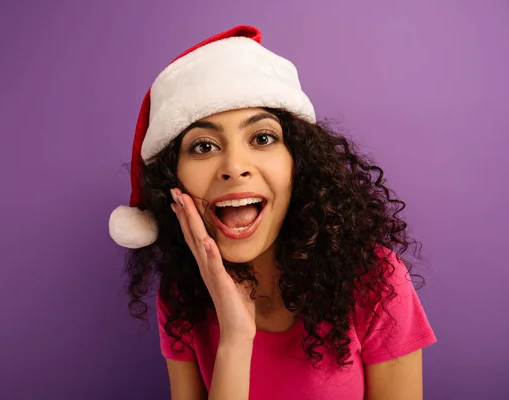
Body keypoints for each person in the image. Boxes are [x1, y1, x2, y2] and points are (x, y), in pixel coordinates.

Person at [109, 25, 436, 400]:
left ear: (299, 164)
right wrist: (235, 339)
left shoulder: (373, 281)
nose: (234, 166)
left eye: (262, 138)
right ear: (174, 179)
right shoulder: (180, 296)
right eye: (203, 146)